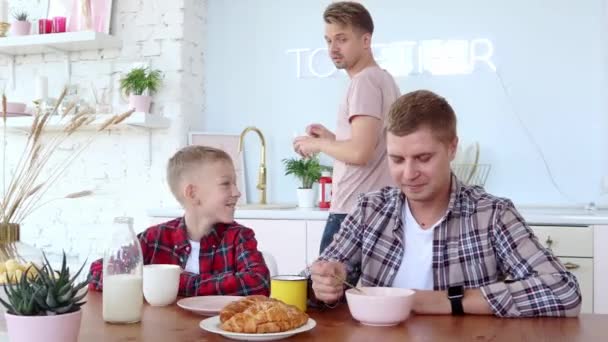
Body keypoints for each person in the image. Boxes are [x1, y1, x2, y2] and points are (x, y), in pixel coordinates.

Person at [307, 90, 581, 317]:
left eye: (423, 158)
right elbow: (317, 281)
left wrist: (443, 300)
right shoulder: (370, 209)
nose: (409, 173)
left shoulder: (492, 214)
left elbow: (563, 290)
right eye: (397, 160)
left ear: (452, 148)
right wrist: (324, 283)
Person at [89, 145, 270, 296]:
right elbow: (98, 271)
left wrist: (176, 281)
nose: (237, 192)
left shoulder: (239, 237)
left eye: (235, 183)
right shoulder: (155, 238)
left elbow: (258, 283)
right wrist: (152, 279)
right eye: (226, 184)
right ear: (192, 193)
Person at [293, 1, 400, 254]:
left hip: (351, 212)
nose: (332, 49)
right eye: (328, 40)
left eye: (341, 39)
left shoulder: (364, 82)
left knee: (327, 291)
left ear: (365, 40)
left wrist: (318, 144)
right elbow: (371, 146)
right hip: (374, 210)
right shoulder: (383, 79)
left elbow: (360, 153)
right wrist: (332, 138)